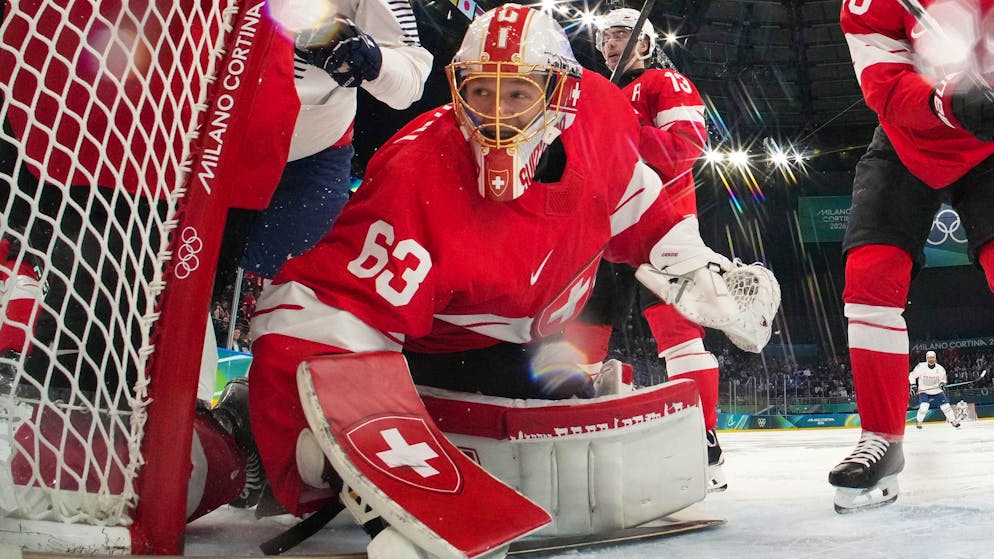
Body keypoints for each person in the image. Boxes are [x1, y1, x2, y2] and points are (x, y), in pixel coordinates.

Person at [223, 4, 775, 554]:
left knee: (567, 414)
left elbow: (640, 207)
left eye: (517, 93)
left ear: (560, 95)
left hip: (526, 341)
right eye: (480, 91)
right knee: (320, 447)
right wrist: (336, 428)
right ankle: (239, 435)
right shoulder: (417, 170)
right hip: (421, 354)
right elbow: (319, 306)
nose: (495, 115)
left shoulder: (600, 116)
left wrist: (696, 272)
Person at [830, 0, 994, 513]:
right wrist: (948, 99)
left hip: (989, 150)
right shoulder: (866, 5)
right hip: (909, 142)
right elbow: (884, 86)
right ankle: (881, 436)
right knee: (870, 273)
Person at [565, 8, 728, 492]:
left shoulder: (665, 82)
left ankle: (705, 441)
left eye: (621, 34)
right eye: (605, 37)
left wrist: (618, 129)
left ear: (644, 43)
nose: (613, 43)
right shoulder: (593, 93)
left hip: (662, 225)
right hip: (601, 230)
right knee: (582, 336)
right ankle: (577, 433)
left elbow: (685, 151)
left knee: (679, 335)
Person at [237, 0, 433, 280]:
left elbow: (411, 80)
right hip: (205, 130)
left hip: (309, 155)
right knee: (172, 276)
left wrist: (367, 56)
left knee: (299, 287)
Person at [909, 350, 960, 430]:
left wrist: (942, 384)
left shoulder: (940, 369)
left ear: (935, 358)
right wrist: (913, 385)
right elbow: (911, 376)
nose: (931, 359)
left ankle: (953, 421)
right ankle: (919, 422)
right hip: (924, 391)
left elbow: (943, 380)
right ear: (926, 358)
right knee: (924, 406)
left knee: (946, 407)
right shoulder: (921, 367)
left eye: (932, 358)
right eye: (929, 358)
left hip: (937, 391)